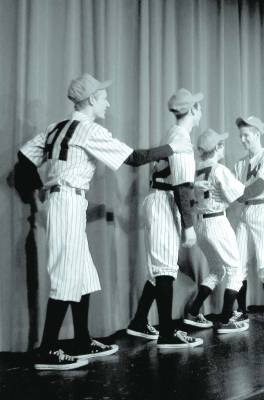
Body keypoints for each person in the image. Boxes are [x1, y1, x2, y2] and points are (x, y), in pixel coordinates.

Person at [13, 73, 194, 370]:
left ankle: (82, 339)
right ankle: (47, 349)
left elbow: (24, 157)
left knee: (82, 273)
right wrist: (174, 149)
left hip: (67, 202)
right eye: (104, 96)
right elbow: (135, 158)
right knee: (65, 276)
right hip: (67, 202)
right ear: (92, 100)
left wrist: (40, 193)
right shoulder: (89, 130)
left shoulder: (55, 127)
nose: (108, 102)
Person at [126, 88, 204, 350]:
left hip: (161, 199)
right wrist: (189, 226)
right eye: (198, 106)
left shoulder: (174, 134)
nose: (200, 110)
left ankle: (139, 321)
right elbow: (182, 186)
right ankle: (168, 333)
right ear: (193, 110)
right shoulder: (181, 137)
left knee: (159, 268)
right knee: (165, 269)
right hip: (164, 200)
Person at [187, 129, 249, 334]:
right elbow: (240, 194)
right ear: (217, 148)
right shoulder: (219, 169)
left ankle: (194, 310)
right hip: (216, 222)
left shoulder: (197, 169)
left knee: (217, 270)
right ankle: (225, 319)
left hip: (200, 224)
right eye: (221, 144)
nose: (224, 147)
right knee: (235, 271)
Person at [233, 116, 264, 329]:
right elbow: (232, 189)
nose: (243, 139)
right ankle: (241, 312)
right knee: (237, 263)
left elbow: (258, 187)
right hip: (246, 211)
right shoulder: (240, 163)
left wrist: (235, 195)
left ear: (257, 134)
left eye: (247, 135)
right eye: (241, 135)